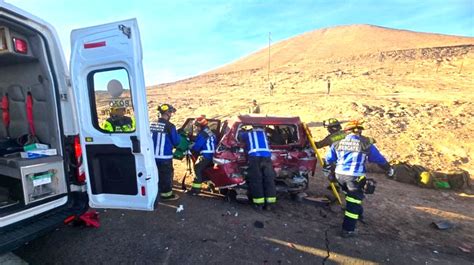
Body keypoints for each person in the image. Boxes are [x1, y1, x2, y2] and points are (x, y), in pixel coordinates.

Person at [325, 120, 393, 238]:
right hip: (354, 177)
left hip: (339, 175)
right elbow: (379, 159)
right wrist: (389, 169)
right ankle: (348, 230)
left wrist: (329, 173)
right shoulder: (366, 143)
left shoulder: (337, 142)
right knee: (354, 202)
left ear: (346, 131)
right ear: (360, 131)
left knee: (350, 195)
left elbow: (329, 159)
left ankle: (358, 212)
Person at [240, 125, 277, 210]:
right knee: (269, 179)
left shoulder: (248, 134)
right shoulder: (265, 134)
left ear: (253, 127)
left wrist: (242, 130)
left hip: (255, 157)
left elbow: (240, 136)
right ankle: (270, 204)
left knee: (256, 179)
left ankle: (259, 204)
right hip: (267, 157)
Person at [150, 104, 180, 201]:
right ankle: (167, 195)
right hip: (165, 157)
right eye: (171, 112)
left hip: (152, 156)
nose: (171, 114)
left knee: (155, 175)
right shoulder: (170, 126)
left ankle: (156, 192)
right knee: (166, 176)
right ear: (167, 113)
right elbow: (176, 141)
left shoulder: (152, 124)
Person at [190, 116, 217, 195]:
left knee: (197, 168)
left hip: (206, 155)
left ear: (200, 126)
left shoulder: (202, 134)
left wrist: (190, 147)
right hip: (213, 155)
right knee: (208, 171)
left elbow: (197, 146)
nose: (196, 128)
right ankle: (211, 186)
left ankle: (196, 189)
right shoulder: (210, 132)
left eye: (196, 126)